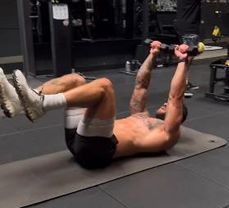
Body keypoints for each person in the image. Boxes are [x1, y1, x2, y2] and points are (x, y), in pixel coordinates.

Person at [0, 41, 189, 169]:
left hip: (96, 153)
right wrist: (152, 54)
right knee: (76, 79)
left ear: (178, 117)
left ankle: (41, 104)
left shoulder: (167, 135)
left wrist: (182, 61)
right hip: (81, 136)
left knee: (105, 86)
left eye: (169, 107)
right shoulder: (141, 115)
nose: (165, 104)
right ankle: (22, 104)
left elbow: (175, 97)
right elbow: (141, 84)